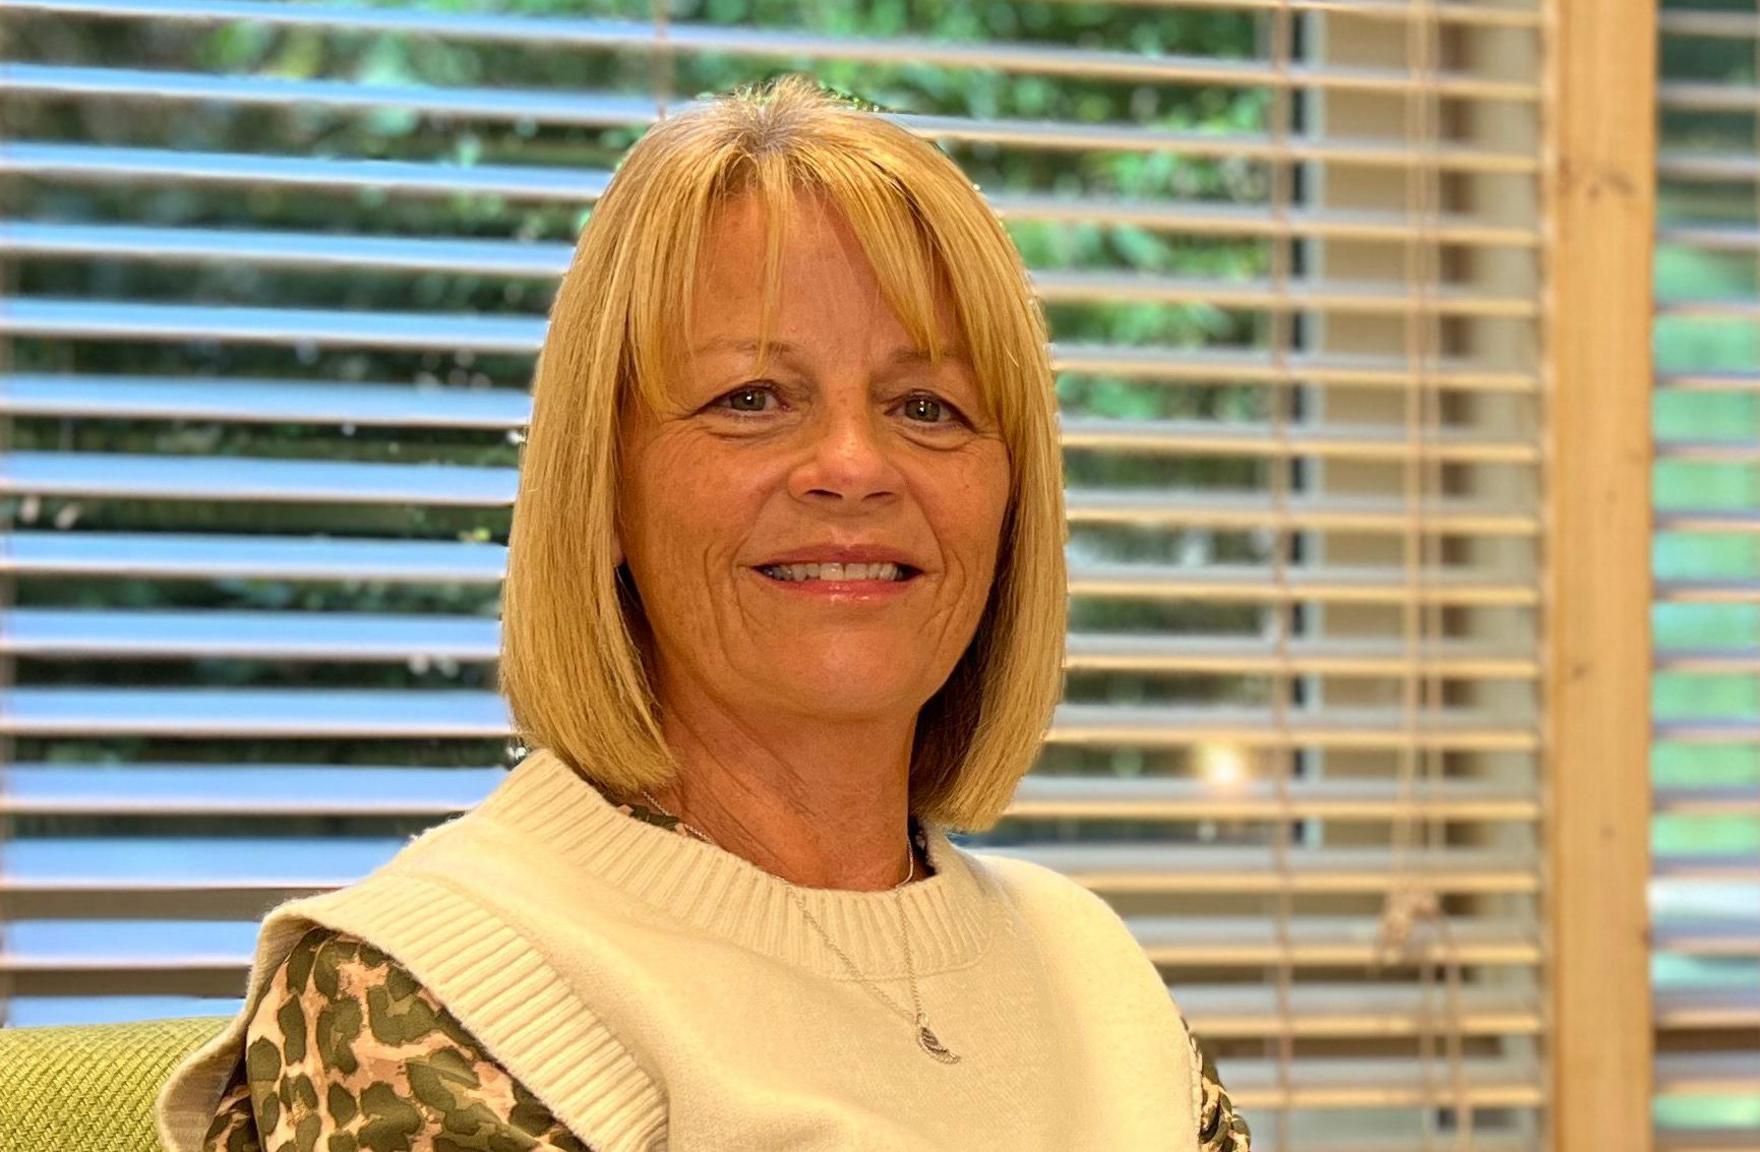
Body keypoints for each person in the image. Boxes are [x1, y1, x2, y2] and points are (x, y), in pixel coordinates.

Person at [154, 74, 1251, 1151]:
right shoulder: (416, 986)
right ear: (607, 487)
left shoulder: (1094, 975)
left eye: (929, 406)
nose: (852, 467)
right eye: (750, 400)